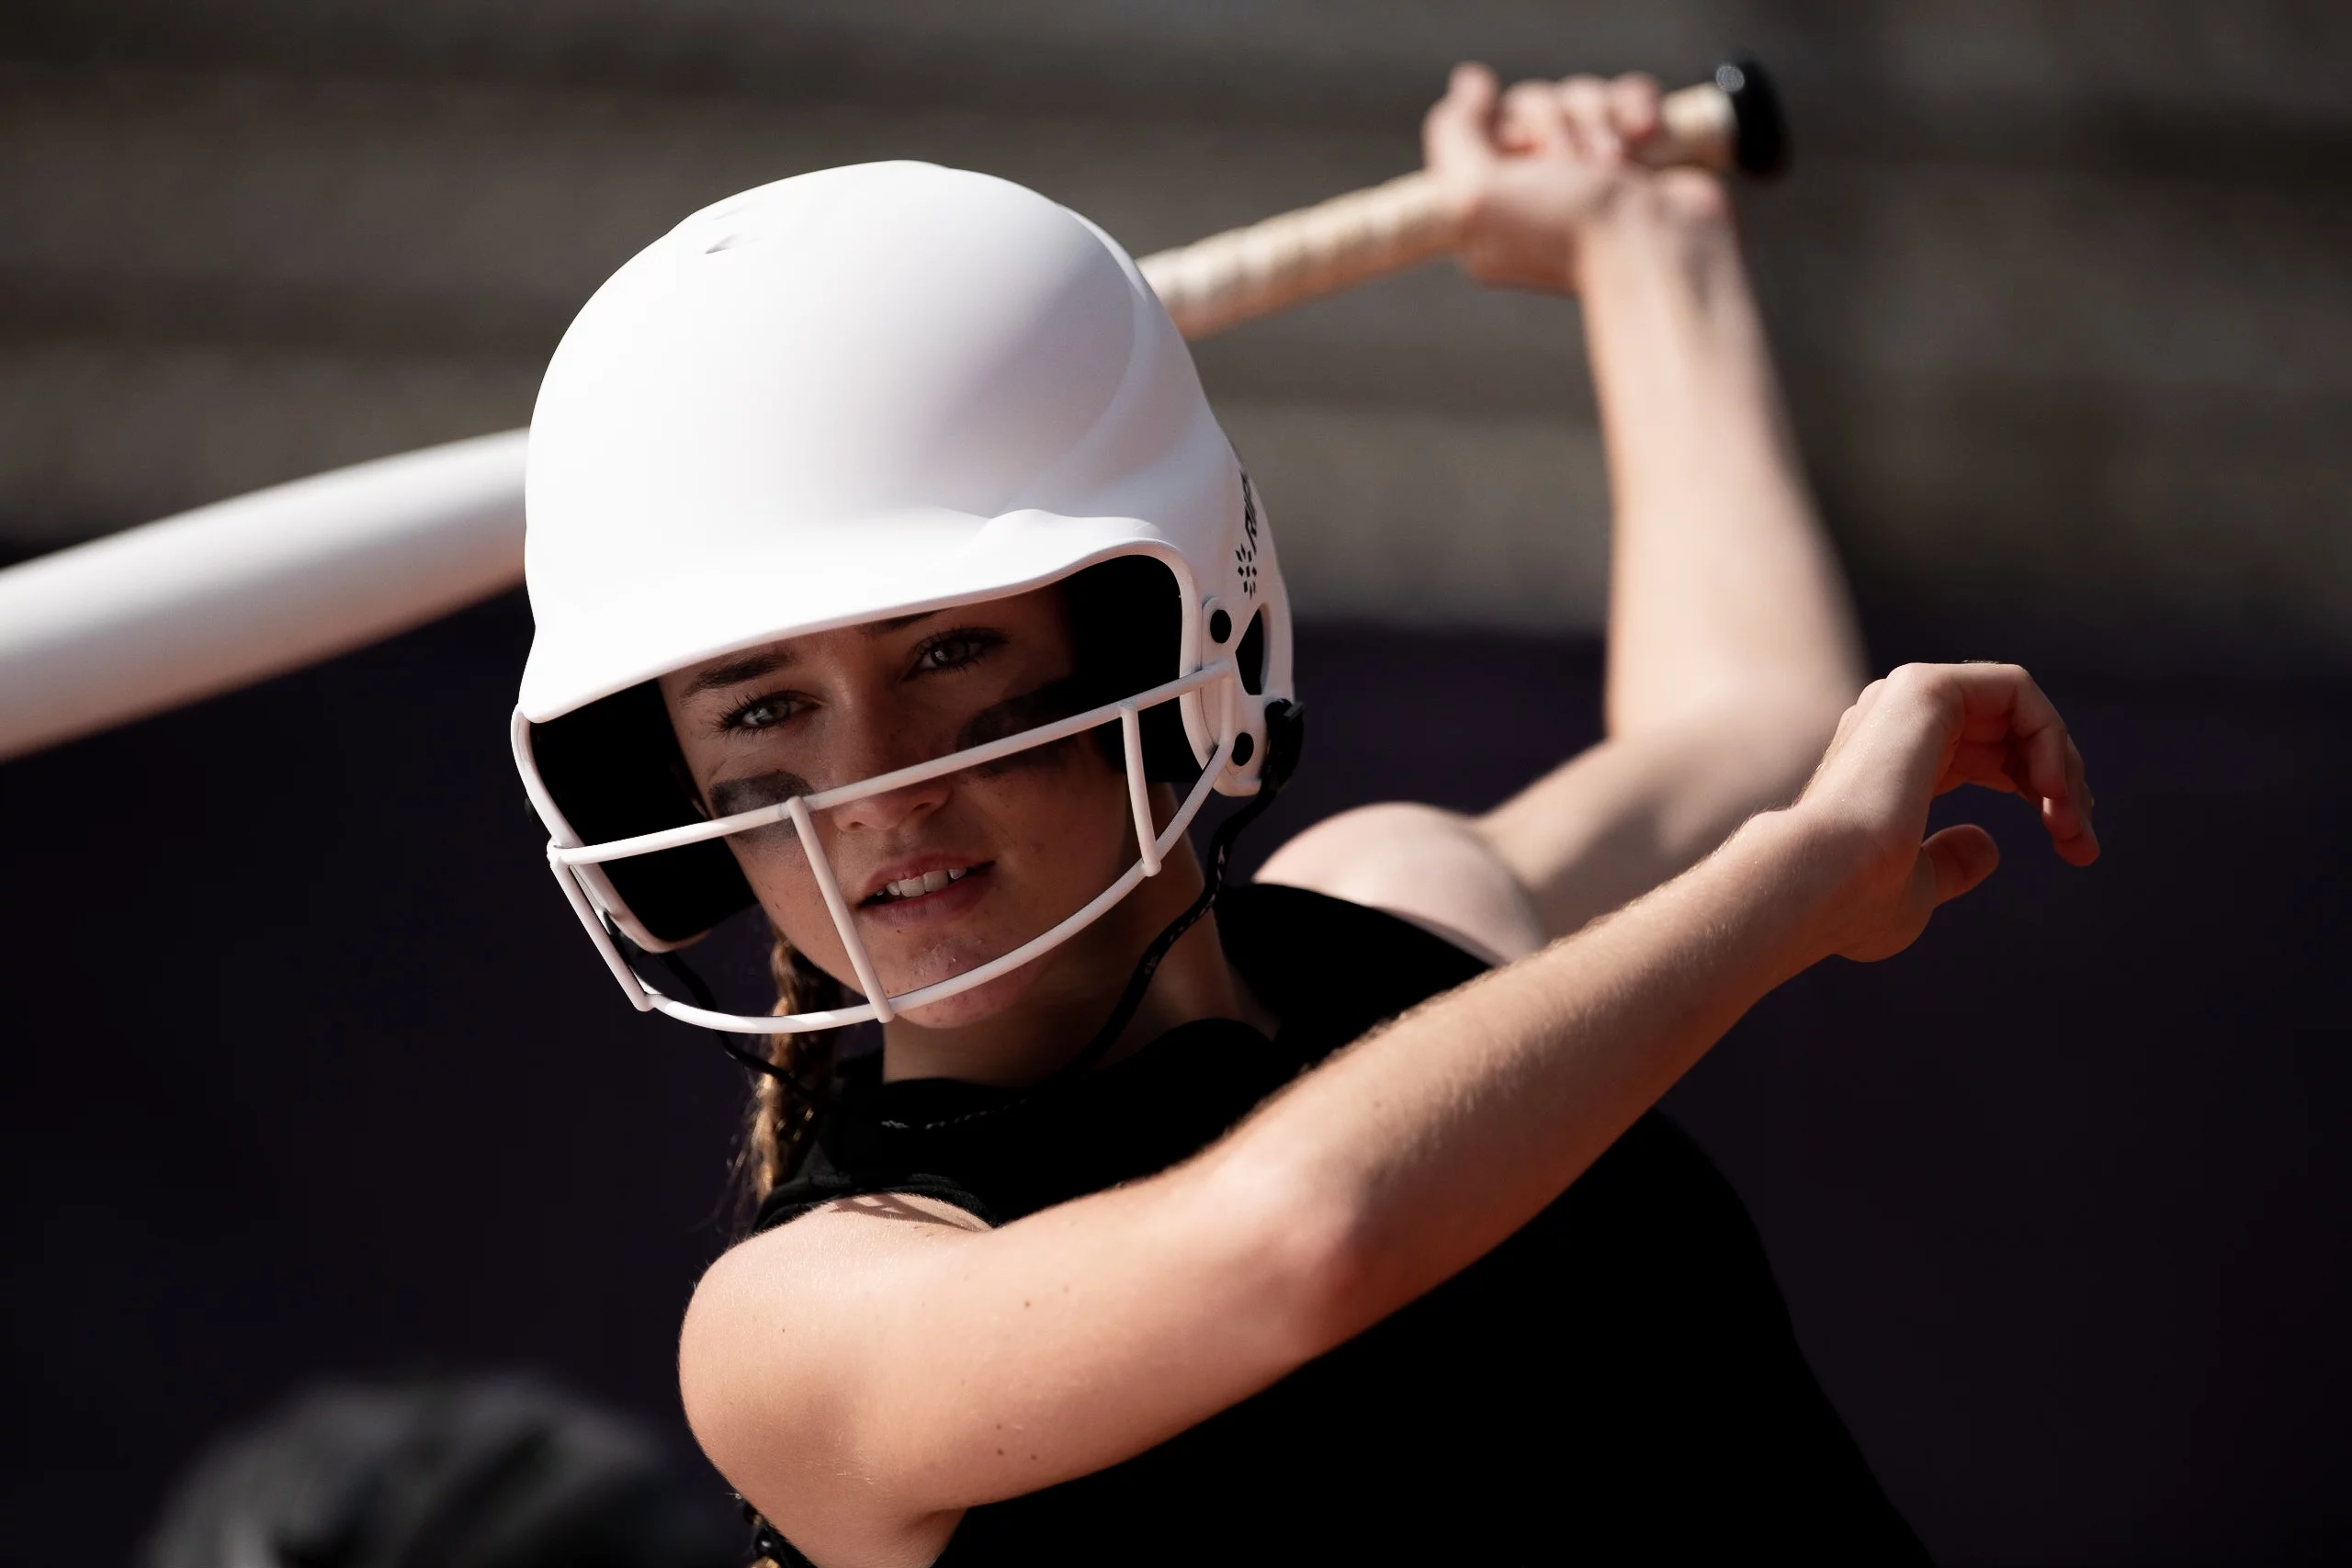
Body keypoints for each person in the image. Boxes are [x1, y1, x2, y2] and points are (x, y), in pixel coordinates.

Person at [510, 66, 2097, 1567]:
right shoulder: (799, 1317)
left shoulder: (1386, 912)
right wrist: (1792, 889)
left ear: (1170, 630)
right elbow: (1306, 1234)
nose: (876, 788)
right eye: (764, 705)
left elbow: (1752, 731)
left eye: (947, 650)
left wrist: (1643, 252)